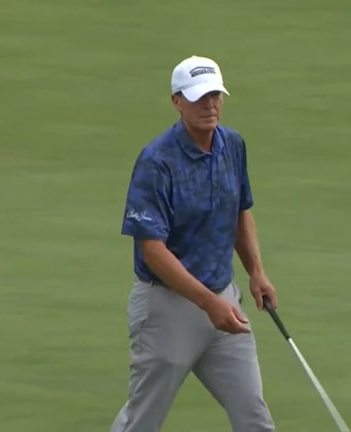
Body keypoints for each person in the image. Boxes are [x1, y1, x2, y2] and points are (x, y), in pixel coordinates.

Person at [110, 55, 279, 432]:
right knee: (142, 420)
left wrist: (256, 272)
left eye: (215, 95)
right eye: (199, 96)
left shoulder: (232, 145)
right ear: (177, 101)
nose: (209, 104)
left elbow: (239, 211)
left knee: (254, 416)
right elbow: (152, 250)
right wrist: (208, 302)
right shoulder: (156, 161)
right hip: (167, 309)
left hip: (224, 303)